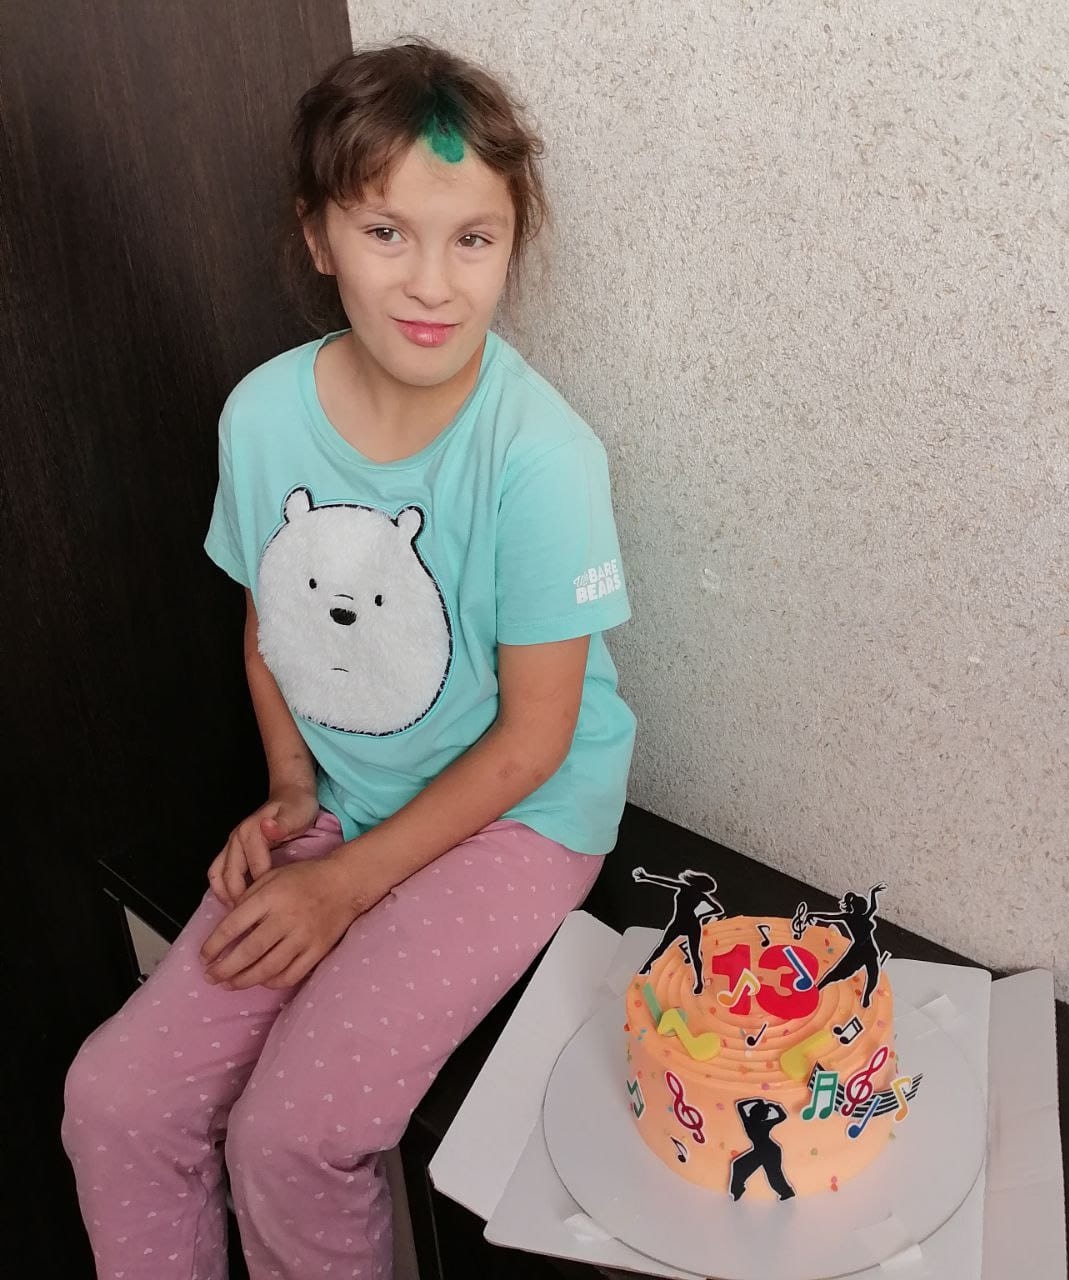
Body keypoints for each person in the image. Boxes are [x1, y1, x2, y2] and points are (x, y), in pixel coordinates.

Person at [61, 37, 636, 1280]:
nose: (431, 281)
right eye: (385, 232)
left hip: (518, 821)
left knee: (292, 1133)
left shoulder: (542, 459)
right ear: (317, 236)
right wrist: (290, 787)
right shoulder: (262, 414)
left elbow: (536, 738)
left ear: (512, 245)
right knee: (113, 1098)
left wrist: (345, 885)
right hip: (343, 803)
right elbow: (270, 622)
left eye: (472, 238)